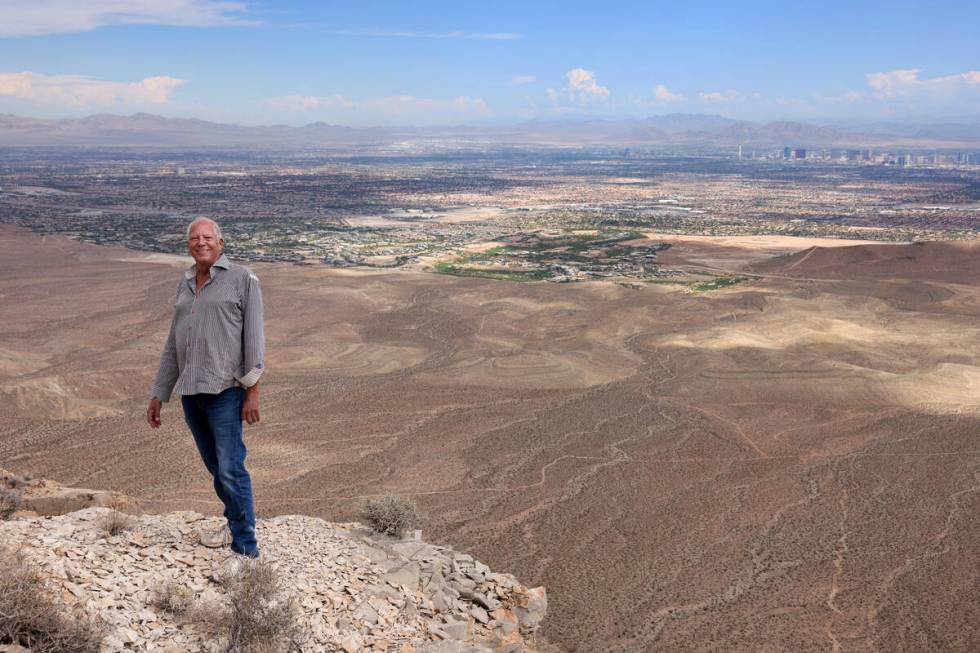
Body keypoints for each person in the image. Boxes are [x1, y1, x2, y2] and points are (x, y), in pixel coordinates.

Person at [146, 217, 264, 558]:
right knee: (216, 468)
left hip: (226, 391)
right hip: (191, 392)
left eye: (208, 237)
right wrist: (159, 393)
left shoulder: (242, 278)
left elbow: (254, 340)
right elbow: (174, 344)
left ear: (221, 242)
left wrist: (252, 391)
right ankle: (234, 525)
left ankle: (246, 550)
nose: (201, 242)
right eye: (195, 238)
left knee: (231, 467)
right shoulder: (185, 285)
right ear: (188, 245)